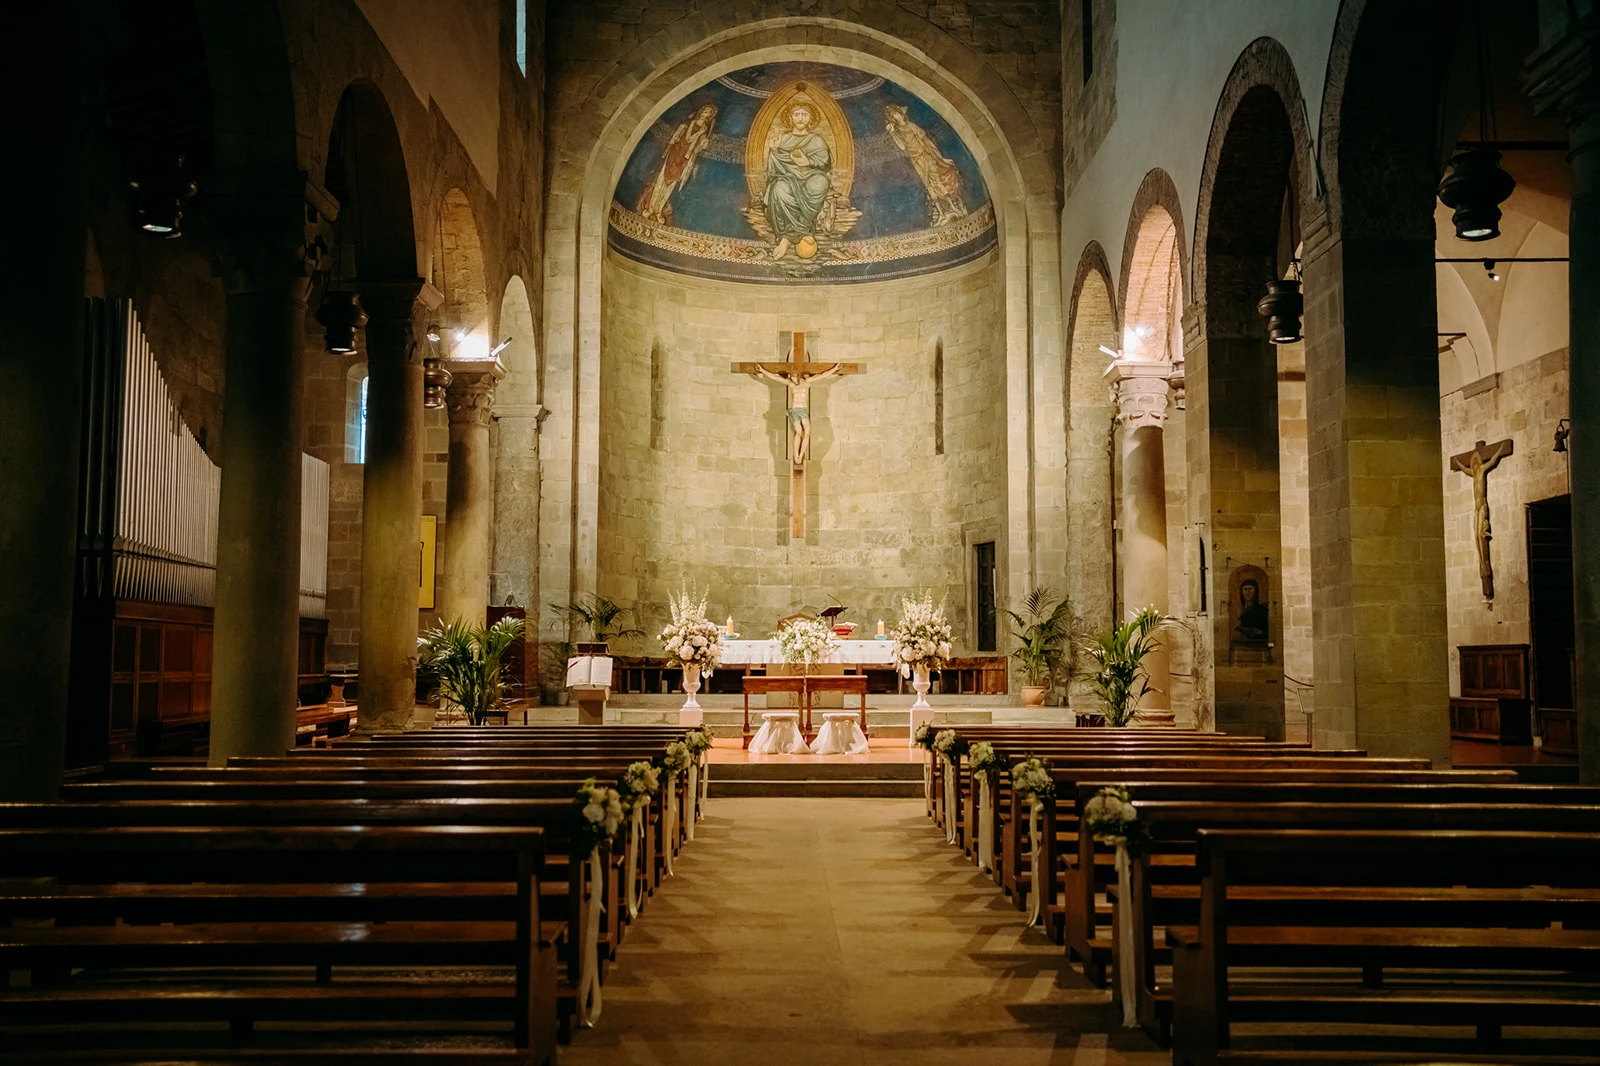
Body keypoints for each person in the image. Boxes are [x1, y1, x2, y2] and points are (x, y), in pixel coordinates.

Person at [763, 103, 832, 260]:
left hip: (811, 176)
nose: (800, 118)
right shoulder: (784, 139)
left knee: (820, 183)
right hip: (787, 177)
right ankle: (793, 235)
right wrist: (774, 151)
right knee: (779, 188)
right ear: (790, 118)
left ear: (810, 118)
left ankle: (789, 238)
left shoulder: (816, 140)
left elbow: (825, 162)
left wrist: (808, 161)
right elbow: (774, 169)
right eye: (797, 114)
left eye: (805, 114)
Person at [884, 103, 967, 227]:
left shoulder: (911, 126)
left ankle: (952, 208)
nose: (896, 116)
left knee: (937, 182)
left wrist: (940, 159)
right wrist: (893, 134)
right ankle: (941, 214)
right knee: (929, 187)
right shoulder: (898, 132)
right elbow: (902, 146)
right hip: (916, 160)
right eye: (893, 115)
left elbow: (926, 142)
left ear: (901, 113)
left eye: (896, 113)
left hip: (926, 156)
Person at [636, 103, 717, 226]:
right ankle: (650, 208)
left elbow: (699, 147)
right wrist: (674, 140)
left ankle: (659, 211)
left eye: (708, 113)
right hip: (675, 153)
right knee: (661, 180)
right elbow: (676, 136)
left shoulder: (704, 131)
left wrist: (703, 144)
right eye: (705, 110)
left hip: (685, 159)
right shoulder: (687, 123)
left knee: (671, 185)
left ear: (709, 116)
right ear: (701, 111)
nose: (705, 113)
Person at [1235, 578, 1268, 643]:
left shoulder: (1262, 610)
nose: (1247, 592)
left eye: (1250, 589)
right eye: (1245, 589)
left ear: (1256, 591)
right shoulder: (1243, 611)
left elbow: (1266, 631)